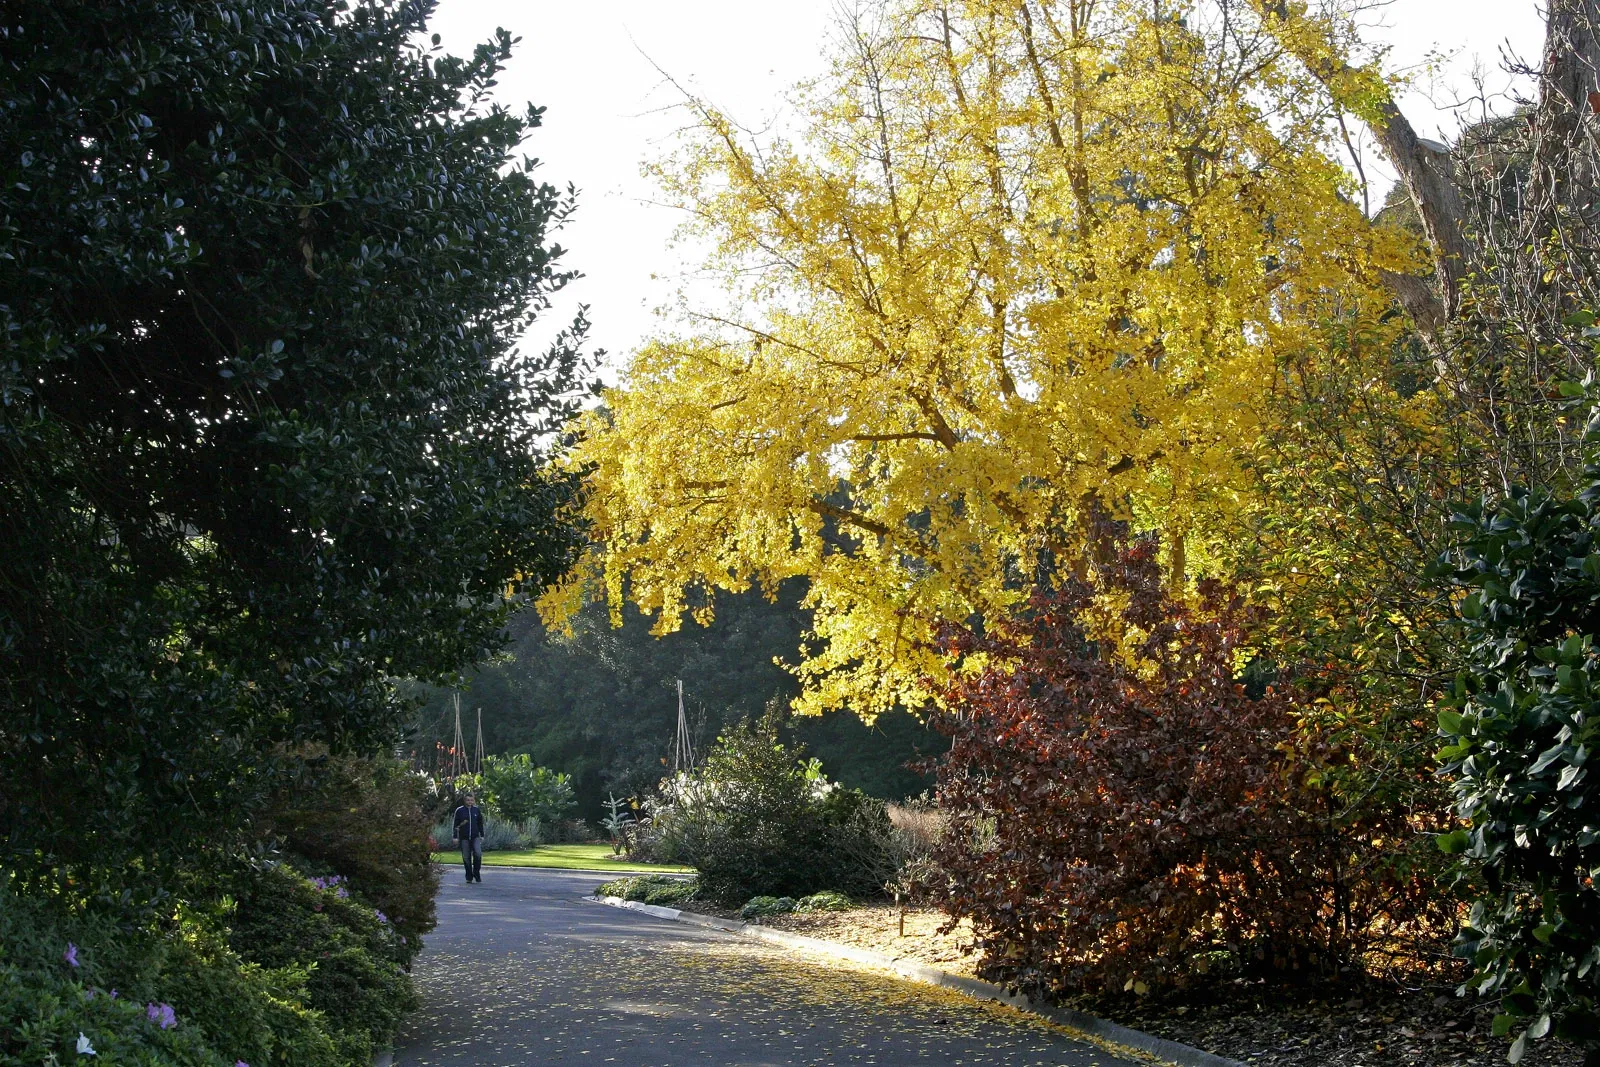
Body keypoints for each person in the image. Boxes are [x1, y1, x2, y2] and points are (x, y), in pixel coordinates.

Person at [452, 793, 485, 883]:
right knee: (466, 857)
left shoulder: (476, 810)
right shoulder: (459, 810)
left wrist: (482, 835)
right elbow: (456, 824)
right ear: (464, 800)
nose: (469, 802)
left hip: (475, 837)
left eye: (471, 800)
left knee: (478, 854)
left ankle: (476, 873)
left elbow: (480, 824)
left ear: (474, 800)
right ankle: (469, 876)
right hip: (464, 837)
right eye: (468, 800)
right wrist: (455, 836)